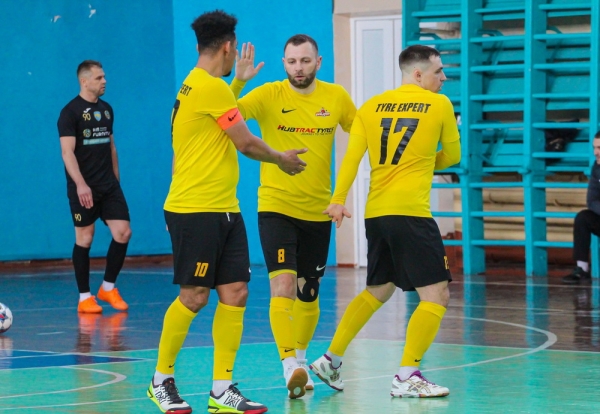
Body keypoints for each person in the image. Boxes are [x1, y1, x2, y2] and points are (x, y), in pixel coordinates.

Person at [146, 10, 307, 414]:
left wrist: (238, 83)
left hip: (224, 208)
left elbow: (216, 121)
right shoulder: (209, 87)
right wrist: (281, 159)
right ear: (228, 47)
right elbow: (245, 142)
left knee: (235, 293)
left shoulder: (199, 85)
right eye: (235, 50)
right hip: (195, 208)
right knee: (194, 296)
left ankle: (222, 389)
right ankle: (160, 380)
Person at [309, 44, 461, 398]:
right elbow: (452, 156)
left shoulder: (370, 106)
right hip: (411, 213)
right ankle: (407, 374)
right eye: (438, 71)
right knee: (436, 295)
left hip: (377, 214)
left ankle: (331, 359)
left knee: (379, 289)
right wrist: (422, 162)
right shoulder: (439, 104)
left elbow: (351, 158)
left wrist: (337, 199)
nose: (444, 77)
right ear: (418, 74)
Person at [230, 34, 356, 398]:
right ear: (283, 63)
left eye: (305, 61)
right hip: (276, 206)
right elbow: (225, 112)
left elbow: (361, 132)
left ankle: (300, 360)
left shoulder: (336, 97)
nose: (298, 68)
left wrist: (342, 195)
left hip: (318, 210)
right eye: (291, 61)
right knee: (282, 285)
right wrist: (238, 81)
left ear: (319, 62)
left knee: (309, 291)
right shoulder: (269, 94)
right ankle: (289, 363)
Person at [58, 60, 132, 314]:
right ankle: (84, 297)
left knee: (123, 233)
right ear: (84, 81)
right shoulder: (70, 112)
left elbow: (111, 147)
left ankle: (108, 288)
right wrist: (80, 184)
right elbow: (67, 153)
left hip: (108, 186)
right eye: (99, 78)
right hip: (83, 187)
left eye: (104, 77)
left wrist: (116, 182)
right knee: (85, 238)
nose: (104, 81)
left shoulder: (107, 110)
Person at [562, 130, 600, 284]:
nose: (596, 152)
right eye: (594, 148)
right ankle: (582, 268)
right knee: (583, 217)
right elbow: (592, 200)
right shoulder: (597, 168)